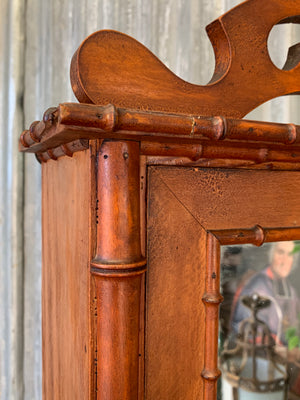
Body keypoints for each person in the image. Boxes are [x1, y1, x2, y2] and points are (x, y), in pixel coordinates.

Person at [231, 241, 300, 345]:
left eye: (290, 255)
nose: (284, 261)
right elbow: (243, 328)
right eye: (280, 253)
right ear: (271, 255)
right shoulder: (257, 285)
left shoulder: (290, 290)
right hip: (258, 354)